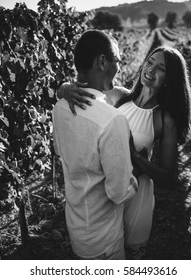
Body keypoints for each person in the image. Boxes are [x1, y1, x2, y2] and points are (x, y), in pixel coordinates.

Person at [58, 45, 191, 259]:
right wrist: (65, 89)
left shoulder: (163, 119)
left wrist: (135, 156)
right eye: (150, 62)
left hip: (136, 197)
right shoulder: (119, 96)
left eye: (161, 68)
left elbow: (168, 175)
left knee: (129, 259)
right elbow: (78, 89)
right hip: (107, 191)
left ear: (170, 79)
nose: (151, 69)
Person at [52, 29, 138, 260]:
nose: (119, 68)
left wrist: (63, 88)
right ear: (102, 61)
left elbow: (59, 151)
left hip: (77, 230)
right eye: (117, 61)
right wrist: (133, 182)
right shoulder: (113, 120)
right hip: (105, 240)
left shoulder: (59, 107)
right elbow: (118, 193)